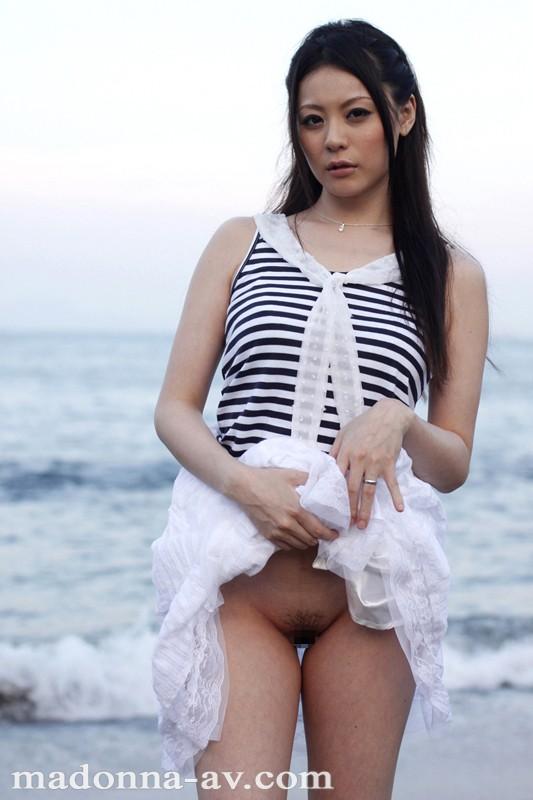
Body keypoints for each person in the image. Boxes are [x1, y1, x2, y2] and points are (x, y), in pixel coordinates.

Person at [151, 18, 490, 800]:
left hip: (368, 598)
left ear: (402, 114)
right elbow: (174, 409)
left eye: (354, 113)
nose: (332, 138)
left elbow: (452, 462)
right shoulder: (243, 241)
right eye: (311, 120)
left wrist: (399, 419)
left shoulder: (450, 274)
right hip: (241, 589)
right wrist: (242, 483)